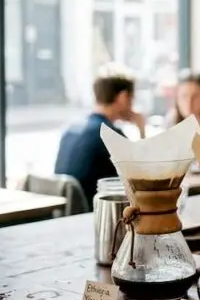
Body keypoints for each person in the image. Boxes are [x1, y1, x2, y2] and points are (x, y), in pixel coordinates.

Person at [54, 64, 147, 203]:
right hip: (95, 214)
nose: (132, 105)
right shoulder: (110, 135)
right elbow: (143, 178)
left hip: (65, 213)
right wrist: (141, 128)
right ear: (123, 97)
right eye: (132, 98)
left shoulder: (72, 128)